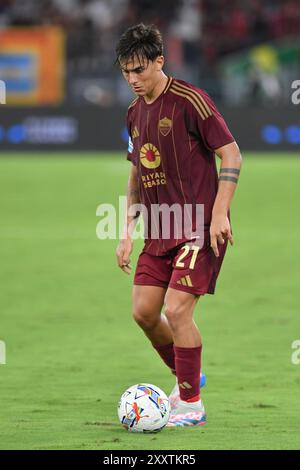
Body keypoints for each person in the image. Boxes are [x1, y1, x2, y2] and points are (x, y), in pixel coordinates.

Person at [115, 23, 242, 427]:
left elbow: (232, 154)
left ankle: (191, 404)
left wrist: (220, 213)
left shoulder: (190, 100)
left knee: (177, 309)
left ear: (159, 61)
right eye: (126, 72)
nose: (133, 79)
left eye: (139, 70)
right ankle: (188, 377)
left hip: (198, 227)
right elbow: (136, 175)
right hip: (158, 230)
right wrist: (125, 232)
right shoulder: (134, 113)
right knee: (144, 312)